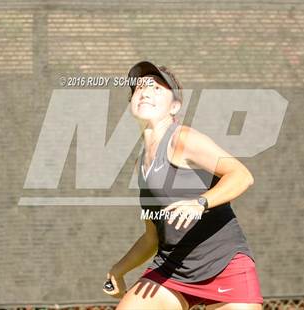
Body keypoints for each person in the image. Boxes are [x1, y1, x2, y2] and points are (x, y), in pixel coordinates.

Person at [103, 61, 264, 310]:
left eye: (157, 87)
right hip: (173, 269)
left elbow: (241, 175)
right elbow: (152, 237)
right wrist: (119, 269)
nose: (145, 91)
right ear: (131, 104)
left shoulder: (182, 139)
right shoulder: (141, 164)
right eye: (139, 88)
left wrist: (201, 202)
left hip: (223, 263)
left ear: (175, 106)